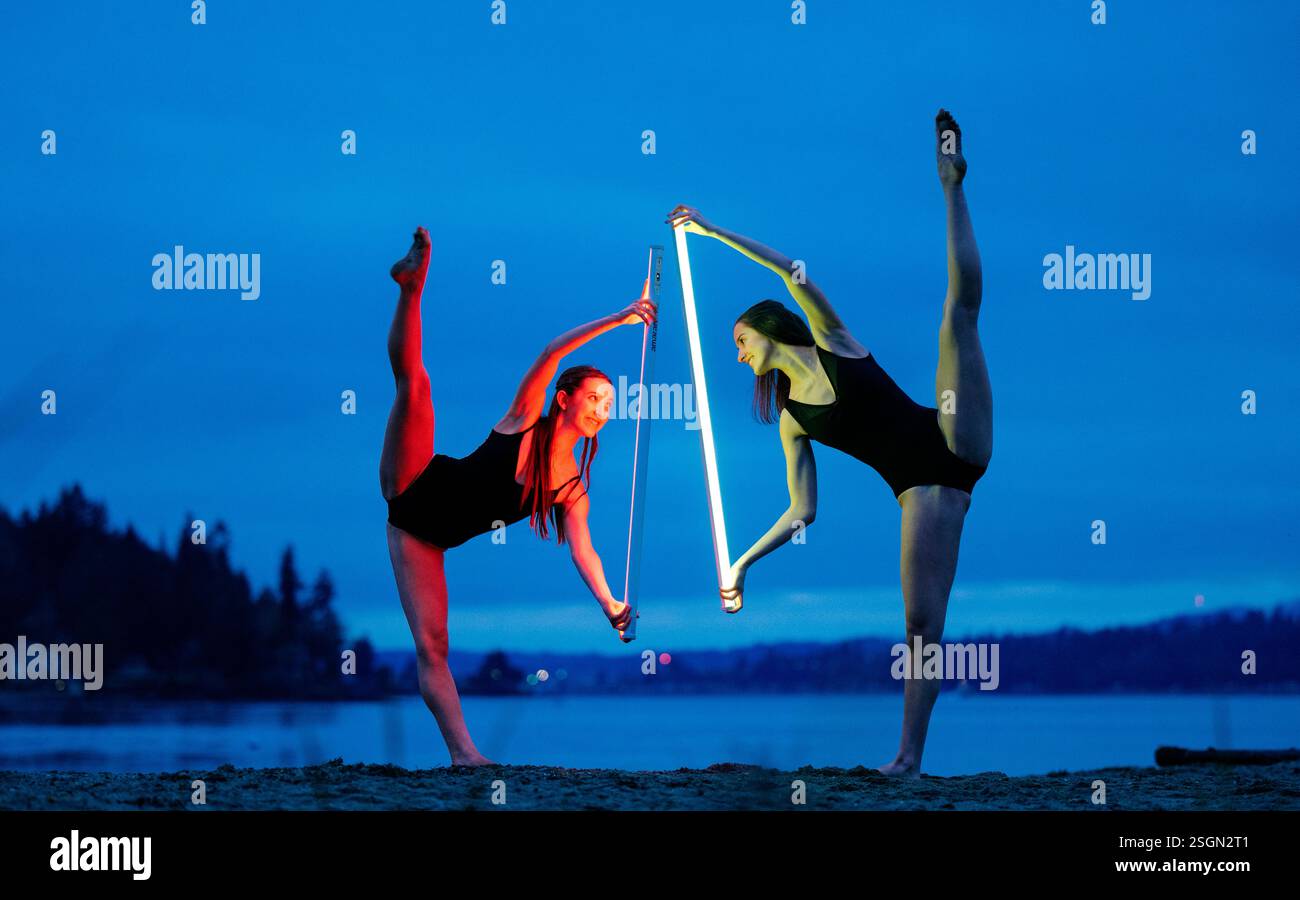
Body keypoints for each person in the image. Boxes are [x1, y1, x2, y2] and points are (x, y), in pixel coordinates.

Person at [666, 109, 992, 777]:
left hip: (955, 432)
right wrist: (741, 567)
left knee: (956, 314)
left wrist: (707, 229)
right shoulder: (792, 419)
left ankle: (951, 182)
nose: (736, 355)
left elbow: (794, 273)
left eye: (739, 342)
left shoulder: (831, 340)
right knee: (921, 629)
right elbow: (802, 513)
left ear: (764, 329)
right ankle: (907, 758)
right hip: (922, 490)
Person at [380, 226, 656, 765]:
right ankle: (410, 287)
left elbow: (586, 553)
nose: (604, 407)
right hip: (413, 485)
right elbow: (553, 350)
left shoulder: (571, 488)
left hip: (426, 539)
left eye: (611, 401)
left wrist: (611, 605)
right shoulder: (527, 419)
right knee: (416, 386)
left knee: (434, 646)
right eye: (595, 396)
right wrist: (621, 319)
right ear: (564, 399)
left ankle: (465, 756)